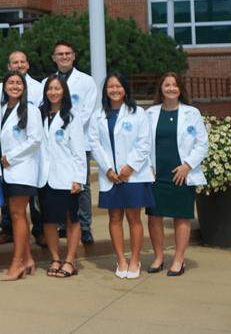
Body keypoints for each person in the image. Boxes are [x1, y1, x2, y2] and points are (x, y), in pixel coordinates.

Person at [90, 72, 154, 279]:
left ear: (125, 89)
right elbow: (94, 143)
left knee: (134, 218)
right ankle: (121, 259)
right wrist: (108, 169)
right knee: (114, 217)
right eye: (110, 87)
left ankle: (135, 259)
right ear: (105, 91)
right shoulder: (98, 114)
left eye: (118, 86)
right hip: (110, 176)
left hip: (133, 175)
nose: (114, 90)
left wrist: (129, 168)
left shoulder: (138, 113)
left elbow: (144, 143)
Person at [146, 72, 208, 276]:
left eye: (174, 85)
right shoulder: (151, 113)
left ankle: (179, 260)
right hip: (157, 173)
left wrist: (187, 166)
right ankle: (158, 257)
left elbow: (202, 144)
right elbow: (143, 143)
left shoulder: (192, 113)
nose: (171, 88)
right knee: (154, 216)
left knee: (182, 216)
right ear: (161, 88)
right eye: (167, 85)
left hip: (181, 173)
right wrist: (148, 166)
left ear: (180, 88)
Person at [37, 76, 85, 279]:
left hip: (66, 176)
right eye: (50, 89)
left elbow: (78, 151)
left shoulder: (72, 117)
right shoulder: (38, 115)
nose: (53, 92)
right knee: (48, 220)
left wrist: (78, 178)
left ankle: (70, 260)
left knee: (71, 219)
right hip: (44, 177)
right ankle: (56, 258)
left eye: (57, 88)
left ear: (64, 91)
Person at [52, 40, 100, 244]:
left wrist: (68, 127)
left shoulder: (87, 81)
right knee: (61, 182)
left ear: (74, 56)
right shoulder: (50, 81)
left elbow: (86, 112)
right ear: (54, 58)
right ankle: (63, 223)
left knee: (82, 185)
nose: (64, 57)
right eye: (60, 54)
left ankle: (85, 226)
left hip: (80, 140)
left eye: (67, 53)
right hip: (58, 142)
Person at [0, 71, 42, 281]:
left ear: (24, 87)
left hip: (21, 169)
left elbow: (35, 140)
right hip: (7, 171)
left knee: (17, 214)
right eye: (10, 83)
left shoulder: (30, 110)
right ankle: (28, 259)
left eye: (18, 83)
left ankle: (17, 264)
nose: (14, 86)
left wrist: (11, 157)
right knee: (18, 215)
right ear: (4, 87)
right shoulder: (1, 109)